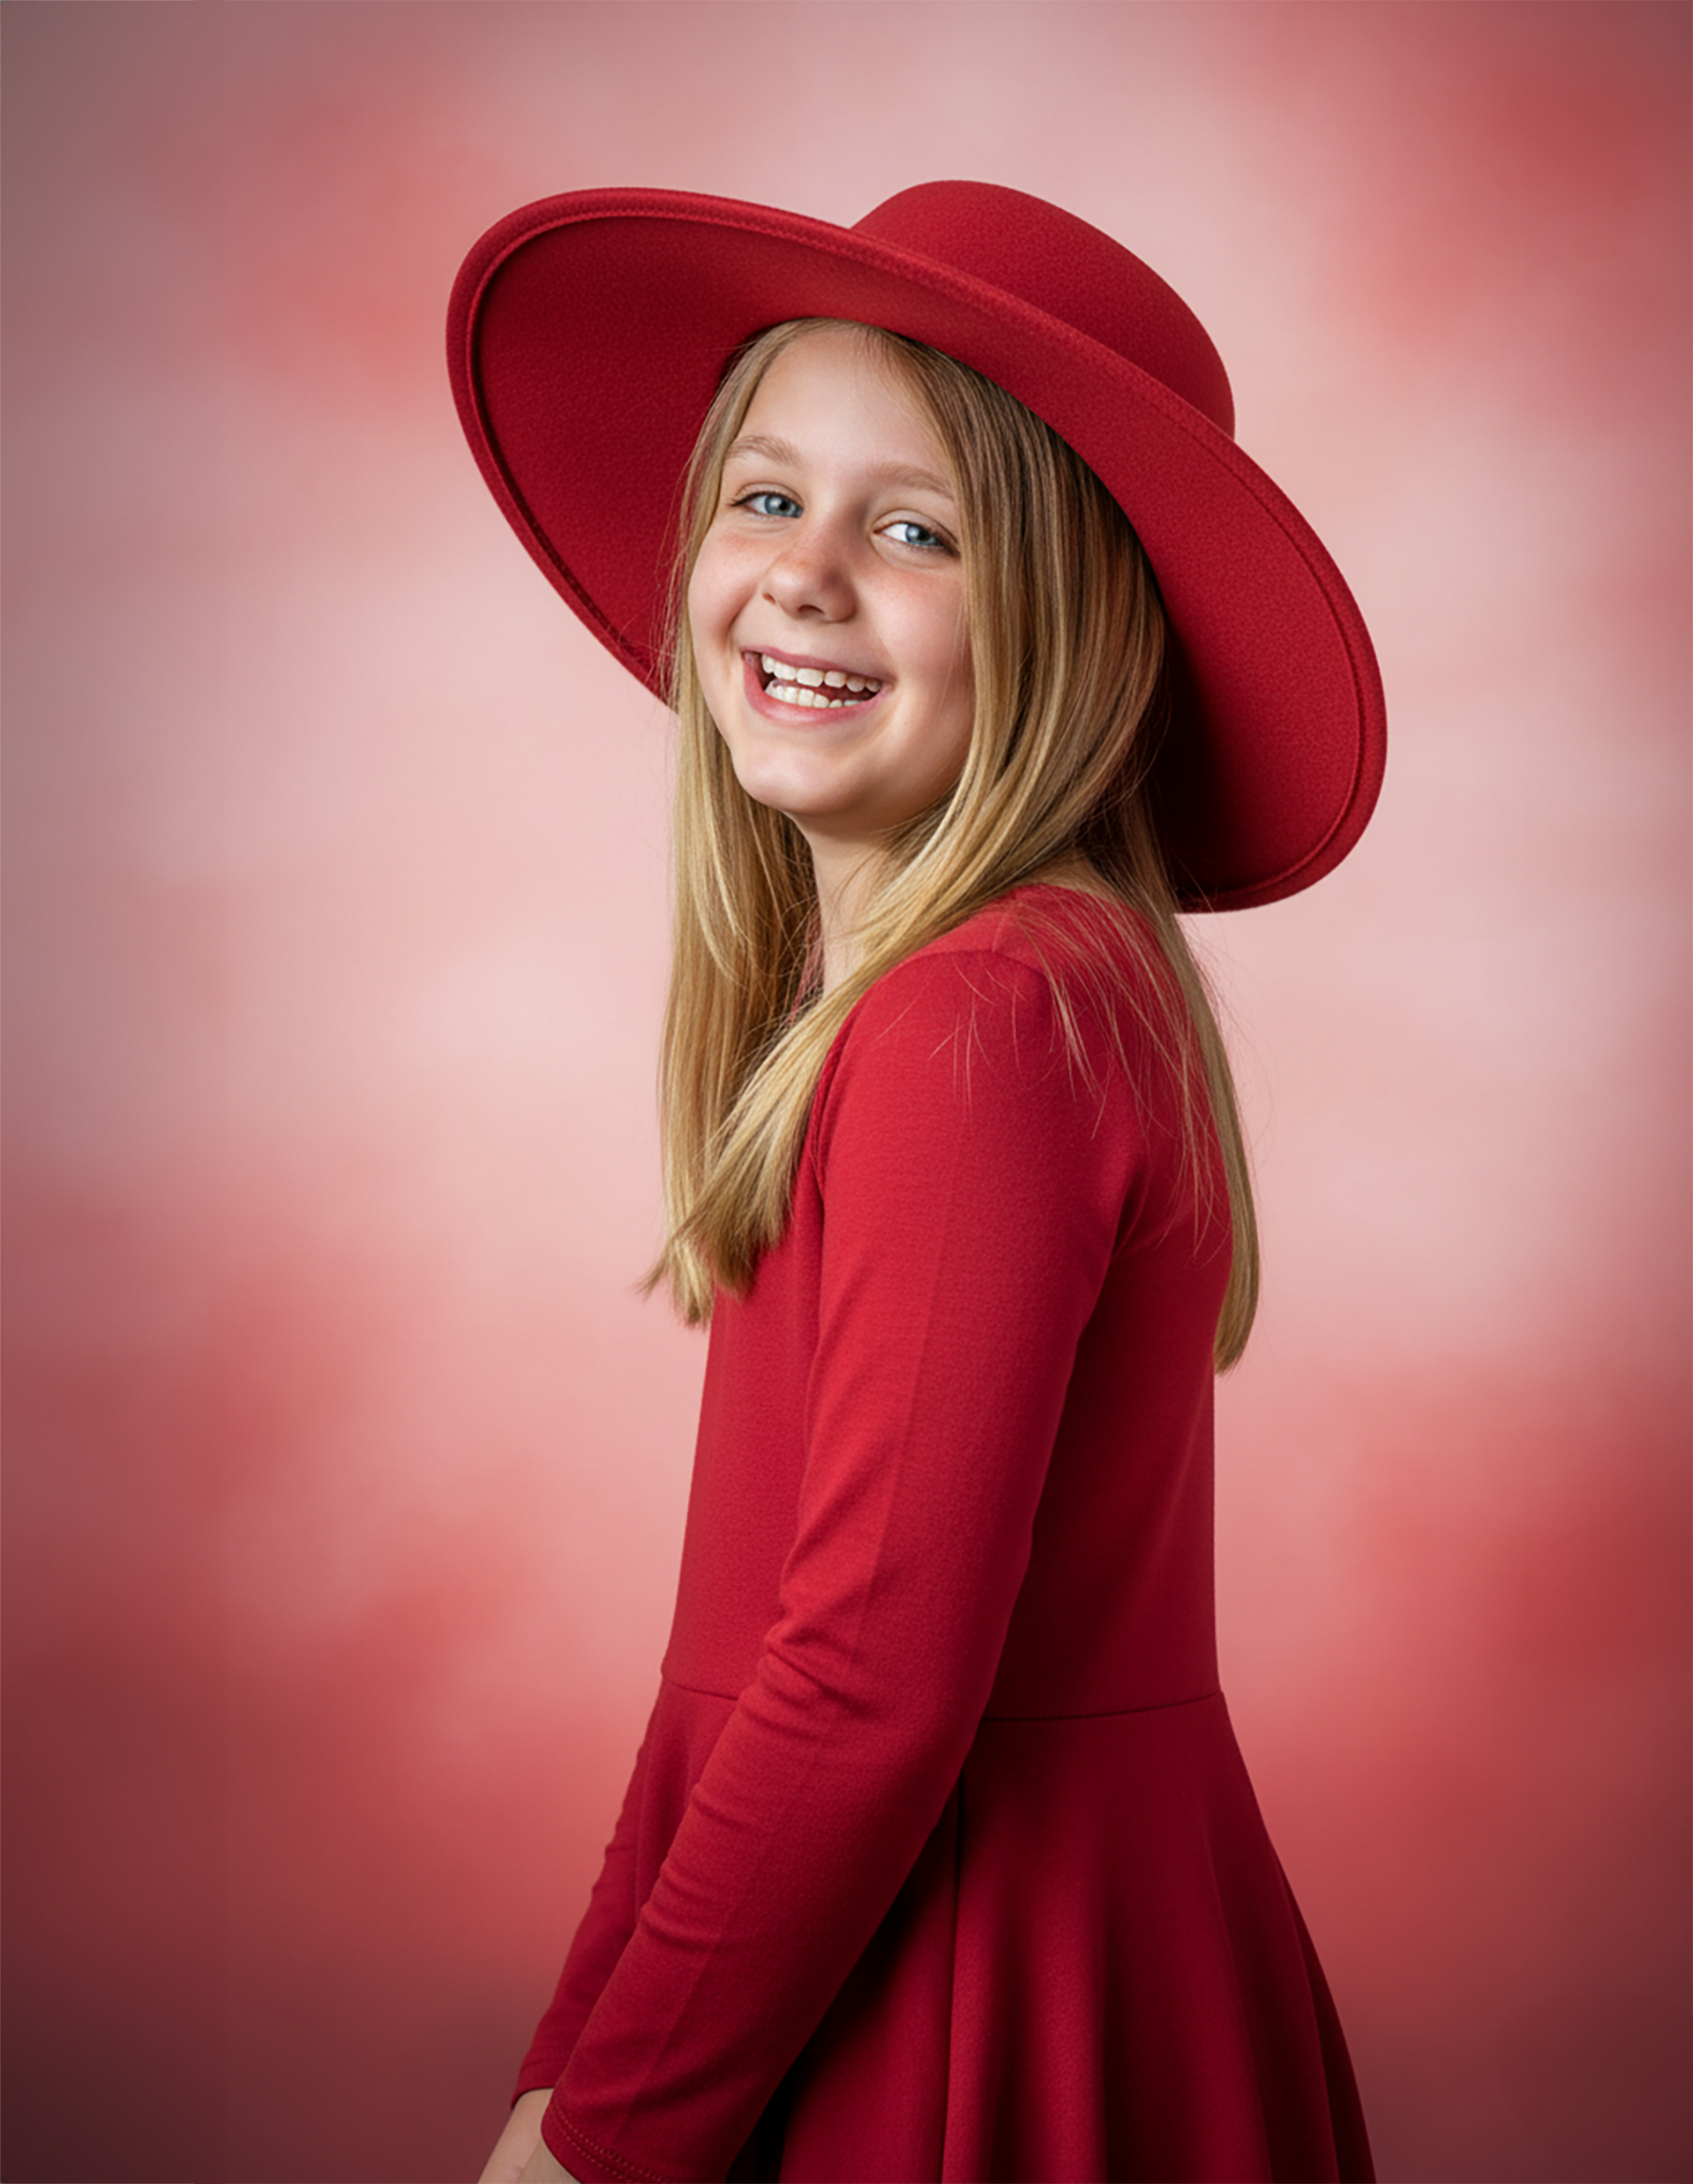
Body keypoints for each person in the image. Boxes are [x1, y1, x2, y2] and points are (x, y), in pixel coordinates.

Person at [448, 181, 1385, 2184]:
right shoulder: (971, 998)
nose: (801, 578)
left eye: (913, 531)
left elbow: (861, 1681)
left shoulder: (981, 1021)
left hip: (964, 1992)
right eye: (766, 497)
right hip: (942, 1944)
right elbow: (726, 1683)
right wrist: (570, 2061)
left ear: (1075, 625)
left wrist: (603, 2135)